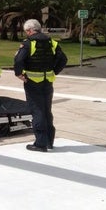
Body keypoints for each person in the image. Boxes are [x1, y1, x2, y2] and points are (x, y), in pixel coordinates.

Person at [13, 19, 67, 152]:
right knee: (46, 110)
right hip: (48, 81)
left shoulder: (28, 44)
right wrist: (54, 71)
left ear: (30, 30)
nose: (26, 34)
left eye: (26, 31)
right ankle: (49, 141)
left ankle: (40, 143)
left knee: (37, 110)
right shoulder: (52, 42)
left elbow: (19, 60)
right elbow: (63, 59)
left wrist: (19, 74)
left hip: (32, 82)